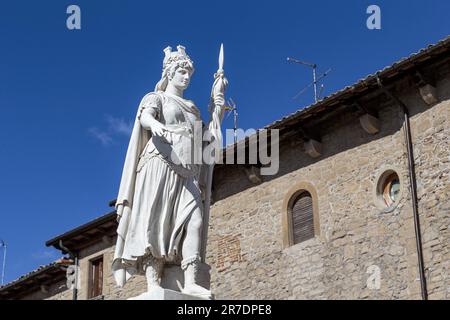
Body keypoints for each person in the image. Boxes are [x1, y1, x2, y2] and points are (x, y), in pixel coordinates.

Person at [111, 45, 225, 299]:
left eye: (188, 73)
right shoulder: (156, 97)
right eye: (182, 72)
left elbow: (205, 139)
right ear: (170, 72)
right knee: (156, 222)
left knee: (194, 220)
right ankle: (153, 283)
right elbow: (145, 118)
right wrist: (155, 125)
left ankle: (192, 280)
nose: (186, 77)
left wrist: (217, 109)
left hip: (187, 170)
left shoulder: (192, 107)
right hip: (159, 163)